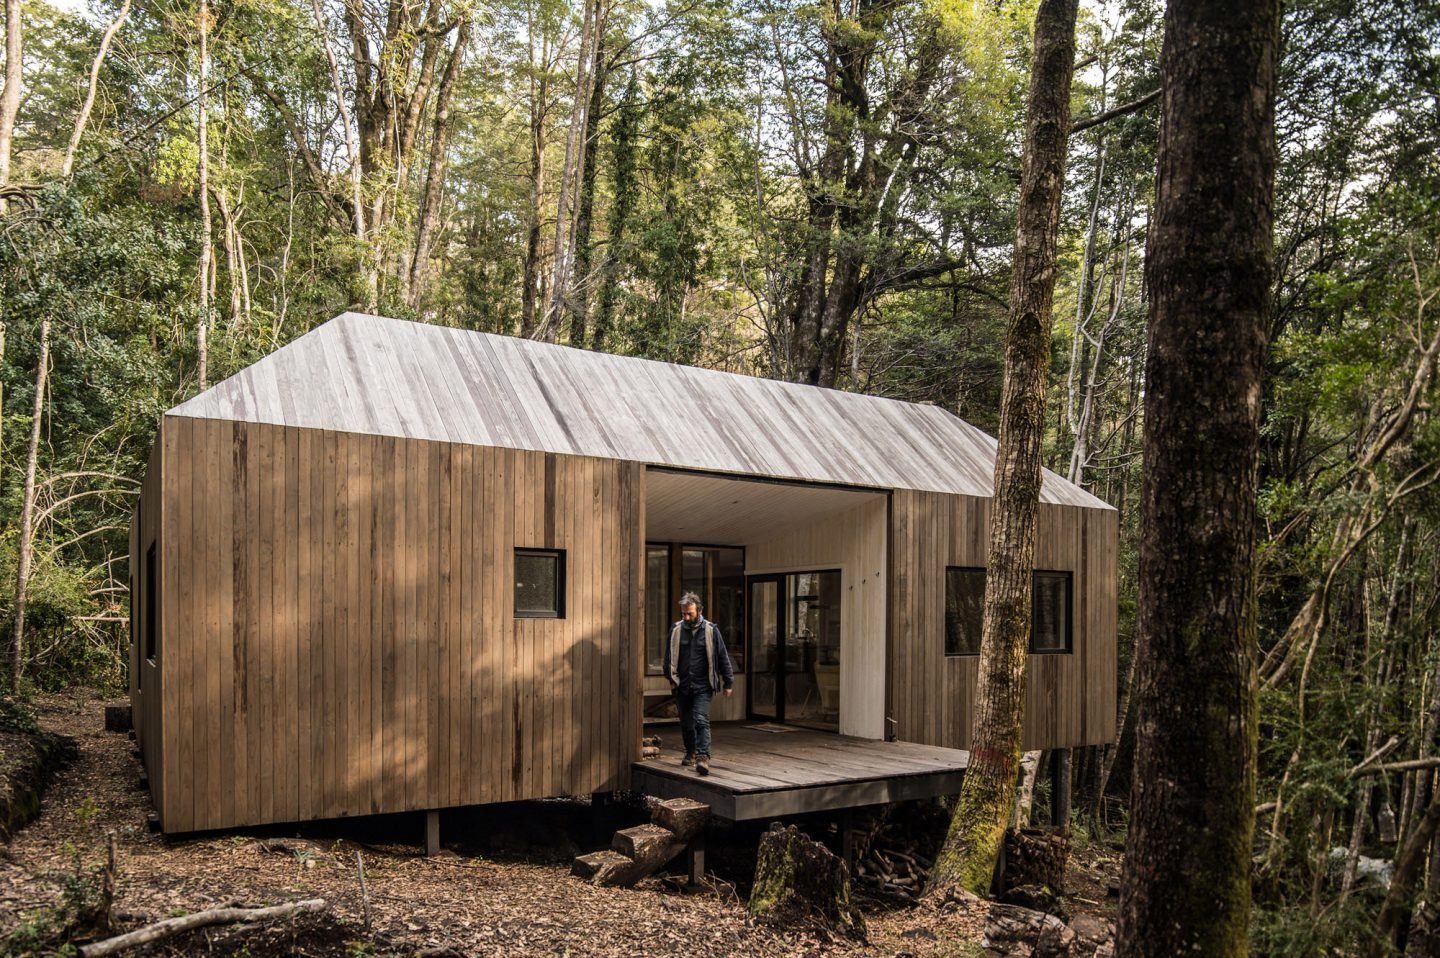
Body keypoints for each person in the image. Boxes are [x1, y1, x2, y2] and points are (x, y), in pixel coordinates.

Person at [663, 592, 734, 776]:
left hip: (704, 685)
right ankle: (690, 751)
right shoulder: (676, 629)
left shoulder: (711, 630)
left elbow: (722, 656)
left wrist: (728, 681)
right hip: (682, 684)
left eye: (690, 614)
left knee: (701, 719)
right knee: (686, 723)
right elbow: (668, 656)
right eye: (684, 614)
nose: (686, 617)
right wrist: (670, 678)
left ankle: (703, 758)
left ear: (699, 611)